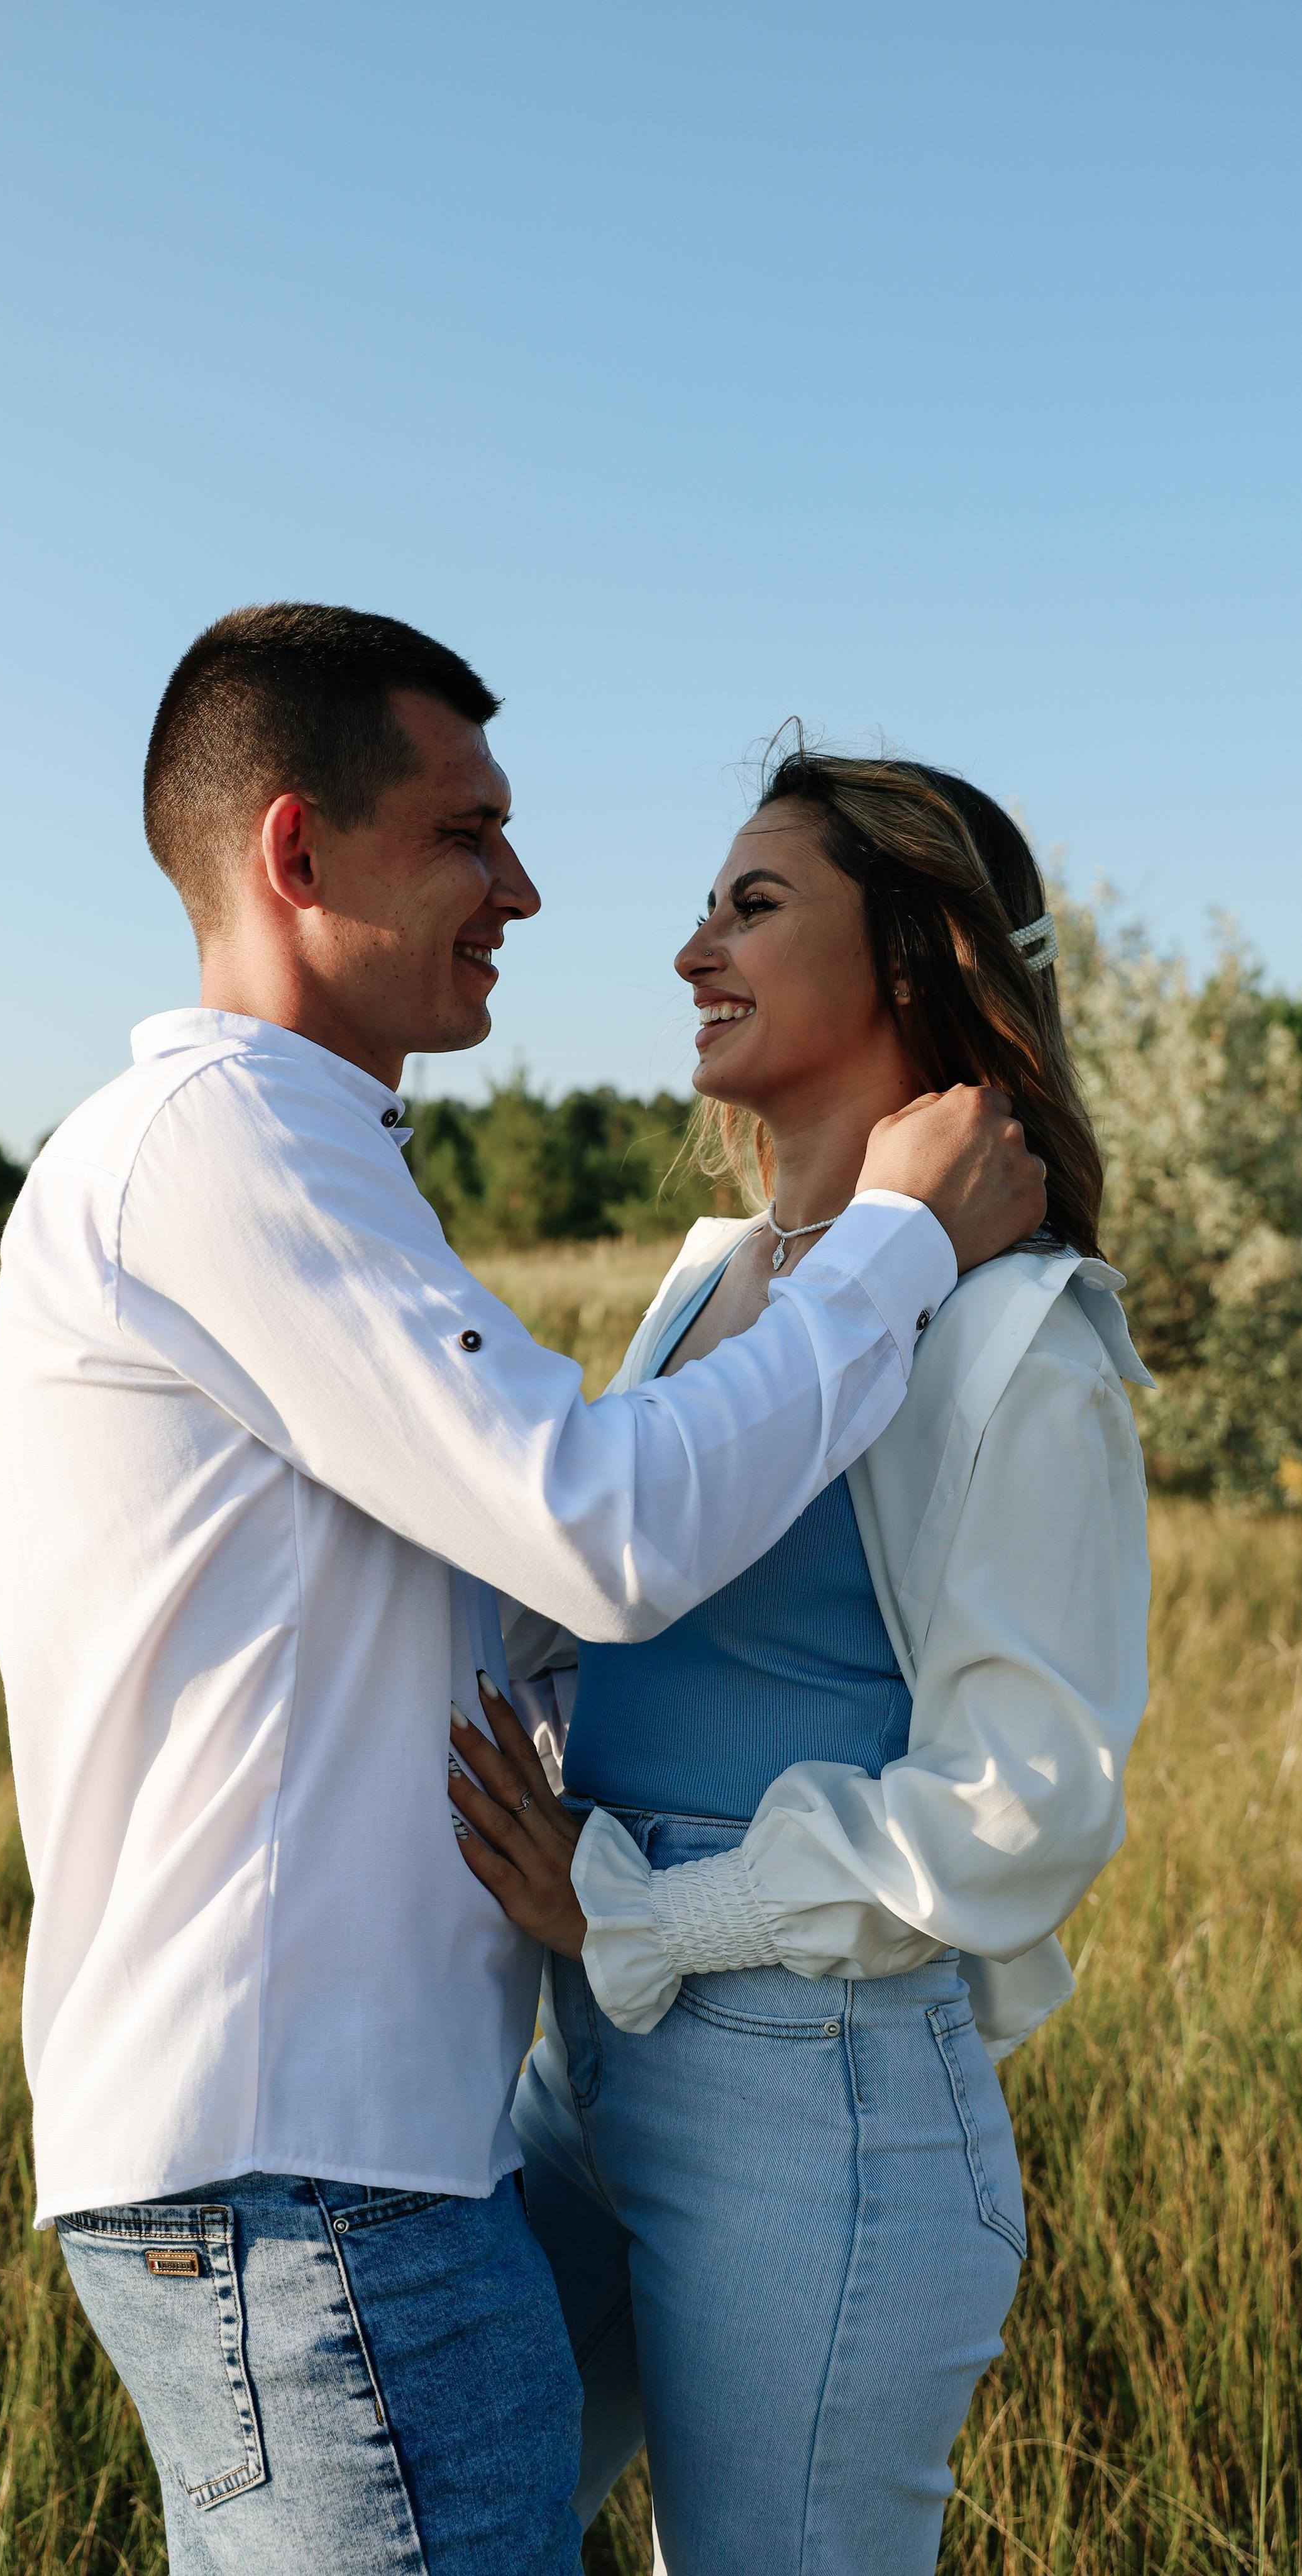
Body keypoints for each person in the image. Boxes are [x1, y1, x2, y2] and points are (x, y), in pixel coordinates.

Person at [0, 614, 1045, 2576]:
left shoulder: (305, 1157)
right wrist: (890, 1249)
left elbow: (489, 1591)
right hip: (313, 2184)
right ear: (298, 856)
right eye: (469, 833)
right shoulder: (228, 1144)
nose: (528, 892)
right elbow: (585, 1530)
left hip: (393, 2161)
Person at [448, 746, 1150, 2576]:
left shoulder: (1016, 1338)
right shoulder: (709, 1286)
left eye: (750, 907)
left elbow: (1029, 1799)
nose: (690, 950)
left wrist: (656, 1924)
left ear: (911, 961)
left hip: (810, 2097)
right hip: (588, 2066)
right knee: (439, 2525)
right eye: (707, 908)